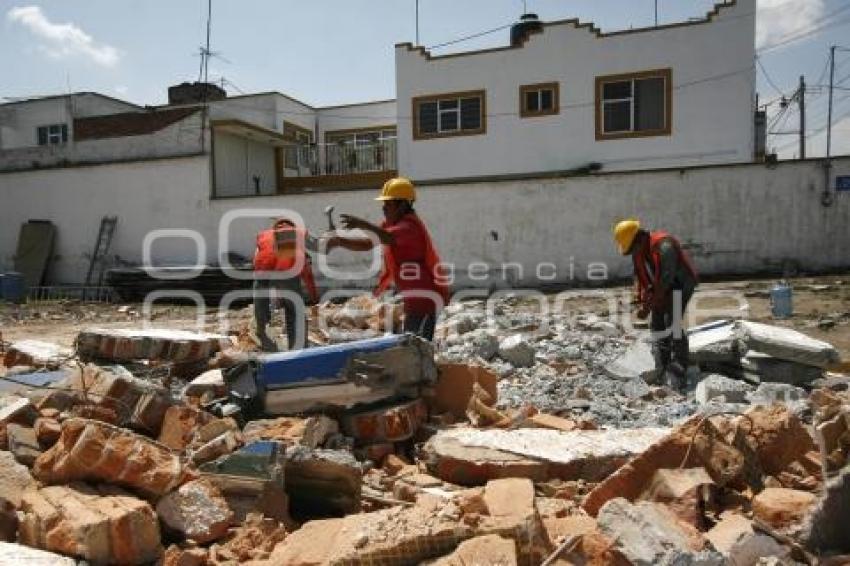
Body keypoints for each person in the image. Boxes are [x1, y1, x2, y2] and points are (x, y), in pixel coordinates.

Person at [327, 177, 449, 341]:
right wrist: (340, 241)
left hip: (425, 299)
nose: (384, 208)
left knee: (420, 345)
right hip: (413, 299)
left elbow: (388, 237)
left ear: (403, 205)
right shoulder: (391, 225)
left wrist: (363, 224)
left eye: (388, 204)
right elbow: (368, 243)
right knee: (413, 344)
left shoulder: (410, 226)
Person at [613, 219, 699, 389]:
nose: (632, 252)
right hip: (662, 285)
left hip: (680, 284)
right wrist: (643, 300)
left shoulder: (664, 246)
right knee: (657, 323)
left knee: (671, 321)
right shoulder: (639, 250)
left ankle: (680, 365)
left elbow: (666, 280)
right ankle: (663, 361)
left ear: (639, 238)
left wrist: (648, 306)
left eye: (632, 248)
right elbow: (640, 277)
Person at [253, 218, 320, 352]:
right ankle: (298, 350)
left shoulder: (262, 235)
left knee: (262, 314)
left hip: (261, 275)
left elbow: (256, 259)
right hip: (287, 274)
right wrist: (314, 298)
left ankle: (269, 348)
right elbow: (318, 247)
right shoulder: (299, 233)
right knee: (295, 312)